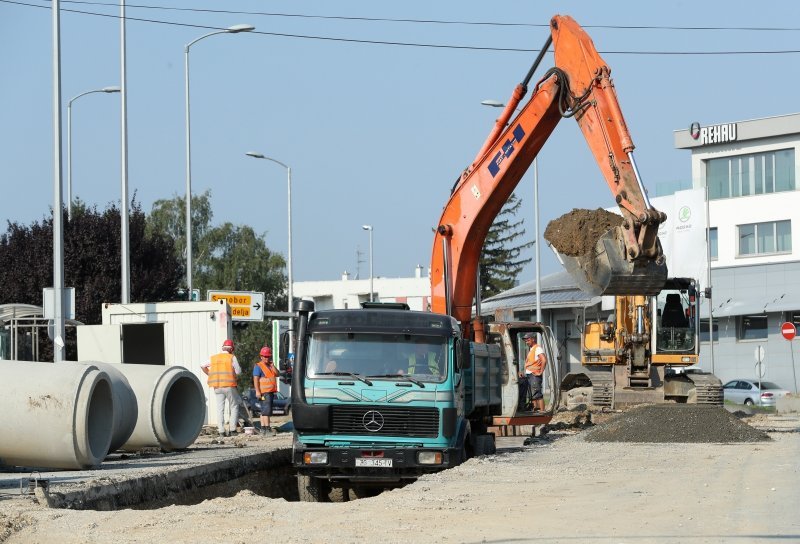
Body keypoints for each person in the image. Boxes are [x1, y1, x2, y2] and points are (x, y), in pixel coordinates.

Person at [201, 339, 242, 436]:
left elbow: (202, 365)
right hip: (229, 386)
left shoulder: (214, 358)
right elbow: (238, 371)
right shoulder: (231, 357)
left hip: (217, 386)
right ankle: (232, 430)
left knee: (220, 408)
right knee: (234, 406)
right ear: (231, 349)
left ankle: (221, 431)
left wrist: (210, 374)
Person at [253, 346, 280, 436]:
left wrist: (273, 366)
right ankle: (267, 429)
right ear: (261, 356)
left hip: (269, 392)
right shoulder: (258, 366)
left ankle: (263, 429)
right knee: (266, 411)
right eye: (264, 356)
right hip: (264, 392)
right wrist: (257, 391)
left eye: (268, 356)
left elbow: (277, 374)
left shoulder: (270, 366)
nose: (266, 358)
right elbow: (255, 379)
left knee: (263, 410)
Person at [522, 332, 547, 412]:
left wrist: (541, 372)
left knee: (537, 394)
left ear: (533, 339)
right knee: (532, 395)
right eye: (525, 340)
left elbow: (544, 360)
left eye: (528, 340)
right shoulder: (531, 349)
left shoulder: (537, 348)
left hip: (534, 375)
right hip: (530, 374)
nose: (526, 342)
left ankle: (542, 412)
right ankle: (534, 410)